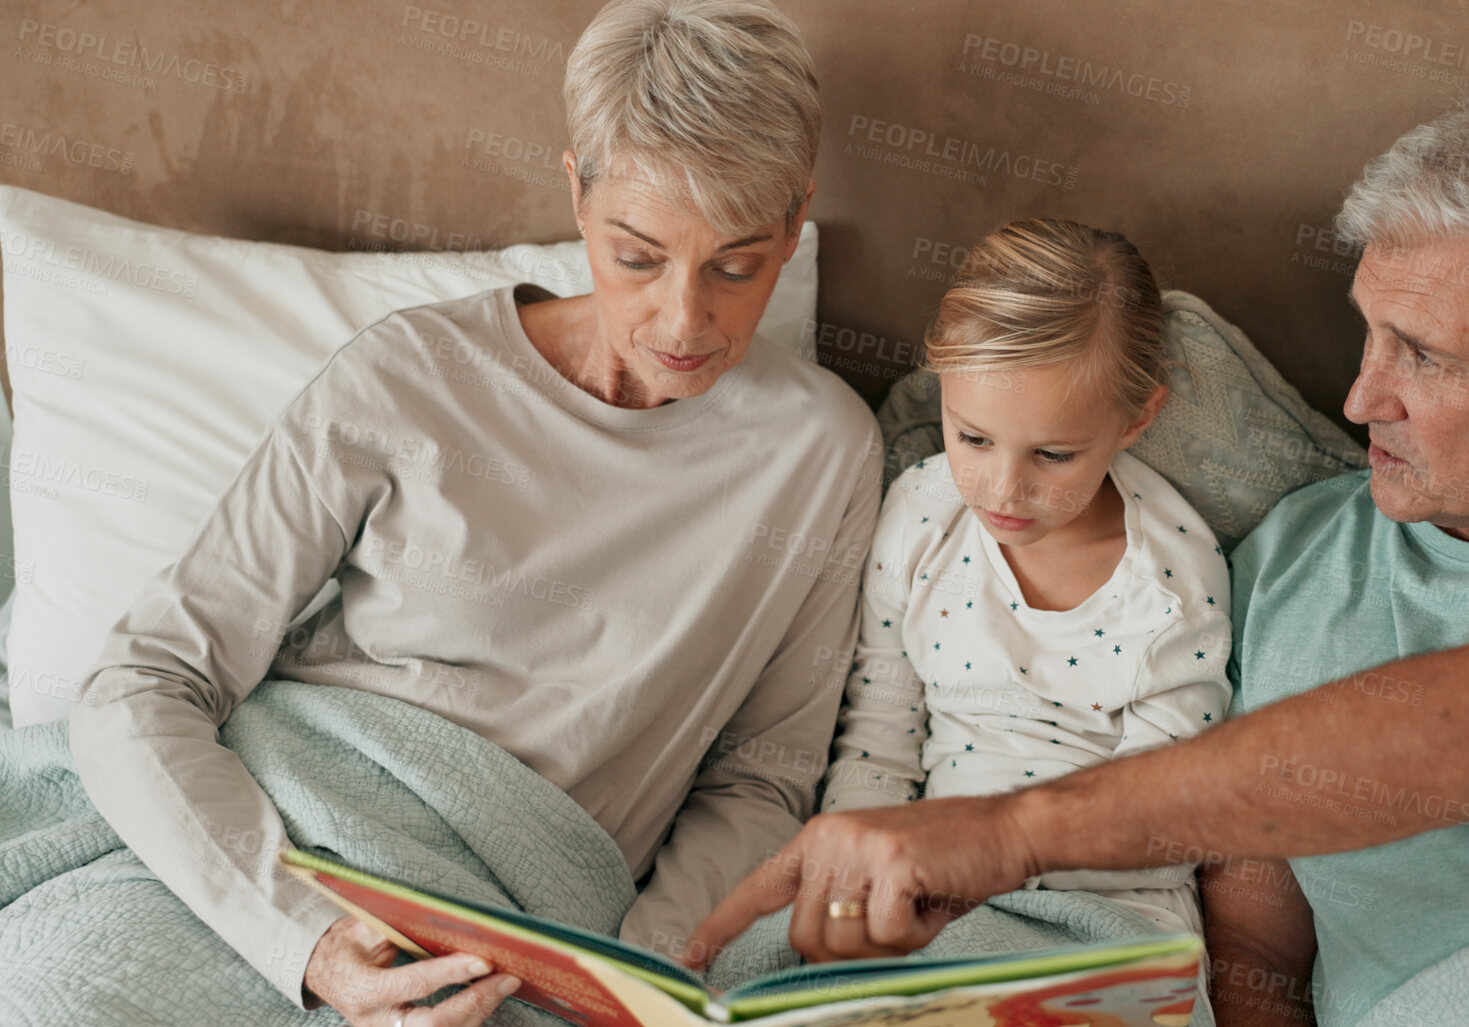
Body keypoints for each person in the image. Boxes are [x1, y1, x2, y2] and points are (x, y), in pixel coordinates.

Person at [682, 88, 1469, 1026]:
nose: (1359, 398)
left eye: (1423, 354)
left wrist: (1013, 832)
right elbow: (1259, 959)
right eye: (1365, 338)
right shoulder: (1294, 562)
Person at [65, 1, 881, 1025]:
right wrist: (307, 937)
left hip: (533, 926)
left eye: (737, 264)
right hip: (270, 848)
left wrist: (636, 981)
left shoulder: (824, 453)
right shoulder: (409, 377)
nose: (685, 320)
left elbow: (761, 783)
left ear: (796, 222)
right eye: (637, 255)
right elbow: (146, 676)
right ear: (577, 192)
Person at [815, 217, 1231, 959]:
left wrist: (984, 862)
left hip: (1105, 916)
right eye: (972, 437)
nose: (1002, 488)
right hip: (923, 897)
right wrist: (856, 884)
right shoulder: (919, 516)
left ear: (1138, 417)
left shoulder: (1172, 583)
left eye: (1054, 454)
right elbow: (878, 739)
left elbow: (1167, 827)